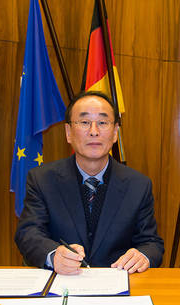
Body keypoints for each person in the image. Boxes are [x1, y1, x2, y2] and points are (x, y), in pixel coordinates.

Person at [15, 91, 164, 274]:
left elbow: (151, 243)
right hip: (63, 282)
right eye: (84, 122)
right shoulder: (42, 180)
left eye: (103, 122)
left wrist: (143, 255)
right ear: (68, 133)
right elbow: (28, 233)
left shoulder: (138, 185)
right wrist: (53, 255)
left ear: (115, 133)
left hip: (117, 284)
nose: (94, 131)